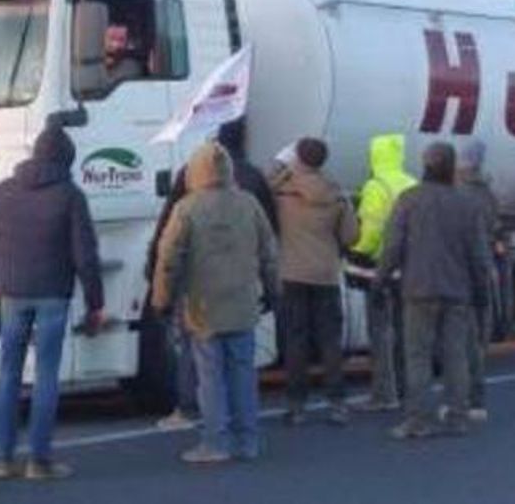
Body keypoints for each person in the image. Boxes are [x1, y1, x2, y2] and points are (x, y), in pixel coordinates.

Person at [0, 124, 104, 481]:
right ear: (66, 159)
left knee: (8, 374)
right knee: (46, 376)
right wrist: (95, 302)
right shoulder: (70, 195)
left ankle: (2, 458)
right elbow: (85, 255)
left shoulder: (3, 193)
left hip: (11, 294)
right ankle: (38, 460)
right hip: (53, 294)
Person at [145, 119, 278, 431]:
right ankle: (246, 436)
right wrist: (272, 290)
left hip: (200, 294)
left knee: (201, 363)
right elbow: (271, 242)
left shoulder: (188, 198)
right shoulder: (253, 187)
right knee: (242, 366)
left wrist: (159, 293)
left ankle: (202, 425)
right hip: (242, 289)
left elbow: (168, 249)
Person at [378, 142, 492, 439]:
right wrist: (482, 292)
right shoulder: (468, 204)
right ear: (452, 167)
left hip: (418, 288)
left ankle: (416, 420)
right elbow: (479, 255)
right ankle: (457, 416)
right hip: (457, 290)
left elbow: (392, 246)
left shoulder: (409, 200)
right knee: (456, 356)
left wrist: (381, 279)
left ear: (425, 164)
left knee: (417, 357)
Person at [271, 138, 358, 426]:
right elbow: (350, 236)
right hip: (325, 274)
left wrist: (283, 168)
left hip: (292, 272)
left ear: (298, 159)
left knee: (296, 340)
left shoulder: (284, 192)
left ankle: (296, 406)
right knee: (329, 340)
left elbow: (263, 190)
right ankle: (337, 403)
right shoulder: (335, 193)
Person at [350, 134, 417, 413]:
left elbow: (373, 229)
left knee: (380, 333)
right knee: (405, 333)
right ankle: (407, 390)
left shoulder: (376, 186)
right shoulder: (412, 183)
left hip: (381, 268)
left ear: (376, 156)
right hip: (410, 267)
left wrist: (357, 252)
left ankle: (383, 394)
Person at [457, 140, 503, 423]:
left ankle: (464, 400)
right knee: (477, 340)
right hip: (483, 270)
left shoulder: (460, 195)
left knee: (460, 340)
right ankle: (476, 400)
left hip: (463, 271)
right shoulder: (488, 195)